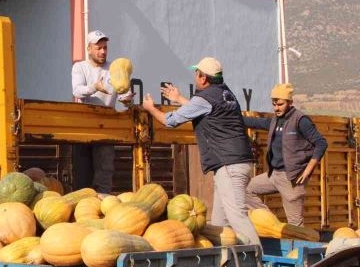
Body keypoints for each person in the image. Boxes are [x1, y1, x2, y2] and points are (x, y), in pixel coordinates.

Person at [141, 57, 261, 245]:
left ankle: (258, 265)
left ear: (203, 78)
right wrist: (179, 99)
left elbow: (169, 121)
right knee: (219, 224)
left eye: (196, 74)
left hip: (229, 165)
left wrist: (150, 109)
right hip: (237, 163)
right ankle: (225, 266)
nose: (195, 77)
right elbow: (206, 110)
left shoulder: (205, 98)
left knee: (238, 216)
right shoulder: (226, 95)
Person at [243, 83, 327, 226]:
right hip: (273, 175)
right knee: (245, 190)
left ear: (290, 102)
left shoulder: (300, 120)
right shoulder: (275, 120)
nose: (276, 108)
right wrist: (230, 116)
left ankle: (298, 246)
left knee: (295, 225)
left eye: (280, 104)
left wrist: (308, 170)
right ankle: (271, 223)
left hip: (292, 178)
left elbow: (321, 143)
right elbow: (254, 122)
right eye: (274, 105)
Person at [70, 30, 134, 193]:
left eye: (105, 48)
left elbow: (123, 95)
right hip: (84, 127)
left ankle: (103, 207)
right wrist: (94, 87)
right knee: (82, 173)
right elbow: (77, 91)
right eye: (98, 48)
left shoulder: (114, 69)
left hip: (107, 126)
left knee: (105, 172)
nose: (103, 51)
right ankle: (84, 208)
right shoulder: (80, 67)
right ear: (89, 49)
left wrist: (127, 99)